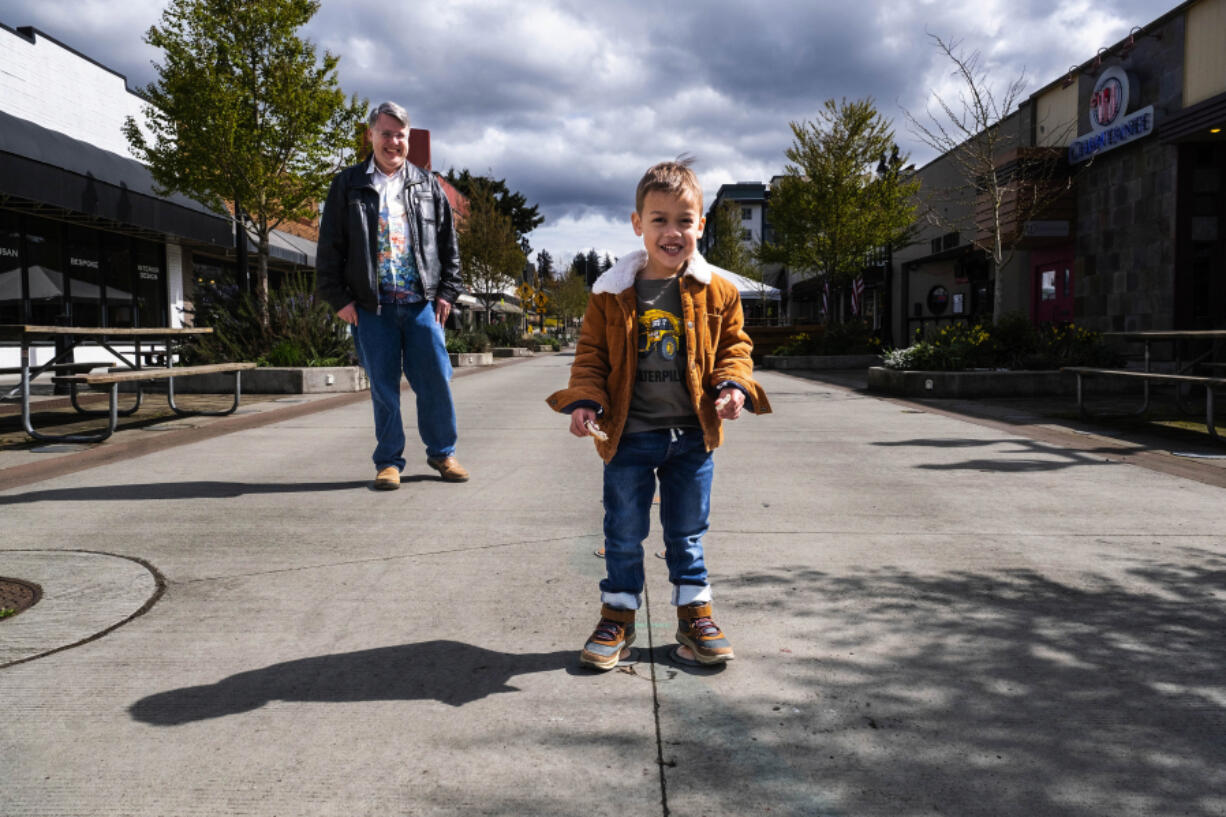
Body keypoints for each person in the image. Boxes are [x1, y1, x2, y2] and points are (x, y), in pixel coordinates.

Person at [546, 159, 771, 670]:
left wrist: (734, 385)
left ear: (701, 226)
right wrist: (584, 400)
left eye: (684, 220)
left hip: (692, 436)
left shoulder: (718, 290)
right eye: (659, 220)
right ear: (637, 224)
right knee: (623, 533)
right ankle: (618, 617)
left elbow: (736, 347)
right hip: (628, 436)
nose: (672, 232)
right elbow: (591, 356)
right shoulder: (611, 292)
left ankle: (695, 615)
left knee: (686, 533)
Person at [316, 101, 468, 490]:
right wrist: (340, 300)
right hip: (372, 307)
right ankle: (388, 462)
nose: (393, 142)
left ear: (408, 139)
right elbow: (329, 248)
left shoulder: (428, 185)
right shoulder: (347, 185)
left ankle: (443, 453)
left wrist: (447, 291)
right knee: (384, 388)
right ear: (371, 135)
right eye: (386, 134)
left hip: (421, 305)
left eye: (400, 135)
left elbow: (449, 245)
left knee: (435, 380)